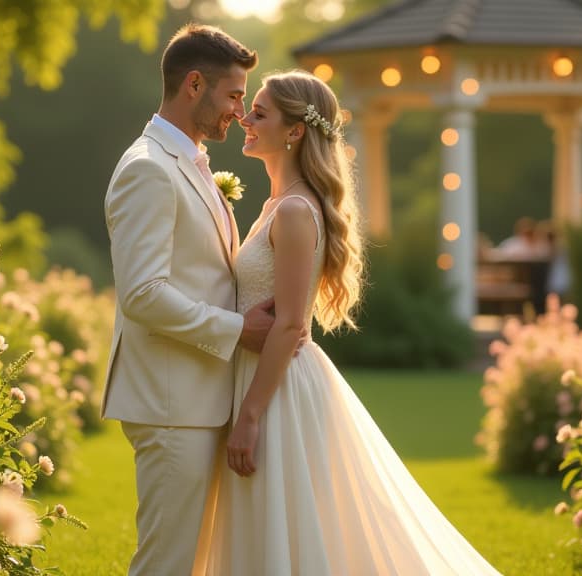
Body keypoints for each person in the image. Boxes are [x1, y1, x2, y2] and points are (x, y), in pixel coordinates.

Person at [200, 70, 503, 575]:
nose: (244, 119)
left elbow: (293, 325)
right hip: (255, 379)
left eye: (259, 112)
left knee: (290, 524)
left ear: (295, 131)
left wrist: (250, 416)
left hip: (276, 390)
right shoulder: (275, 205)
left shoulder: (295, 211)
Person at [101, 24, 278, 576]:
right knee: (167, 565)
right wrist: (236, 329)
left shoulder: (189, 163)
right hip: (171, 404)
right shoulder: (149, 170)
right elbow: (142, 293)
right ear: (194, 85)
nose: (240, 110)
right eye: (233, 95)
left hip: (197, 398)